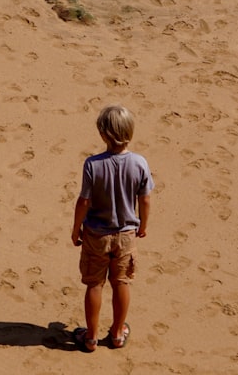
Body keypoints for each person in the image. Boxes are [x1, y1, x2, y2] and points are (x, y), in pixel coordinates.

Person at [70, 105, 154, 352]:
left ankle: (91, 337)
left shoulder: (92, 165)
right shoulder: (140, 163)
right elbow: (145, 199)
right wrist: (144, 224)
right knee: (122, 282)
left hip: (96, 234)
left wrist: (76, 228)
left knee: (94, 285)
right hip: (126, 235)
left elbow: (84, 200)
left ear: (104, 134)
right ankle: (117, 333)